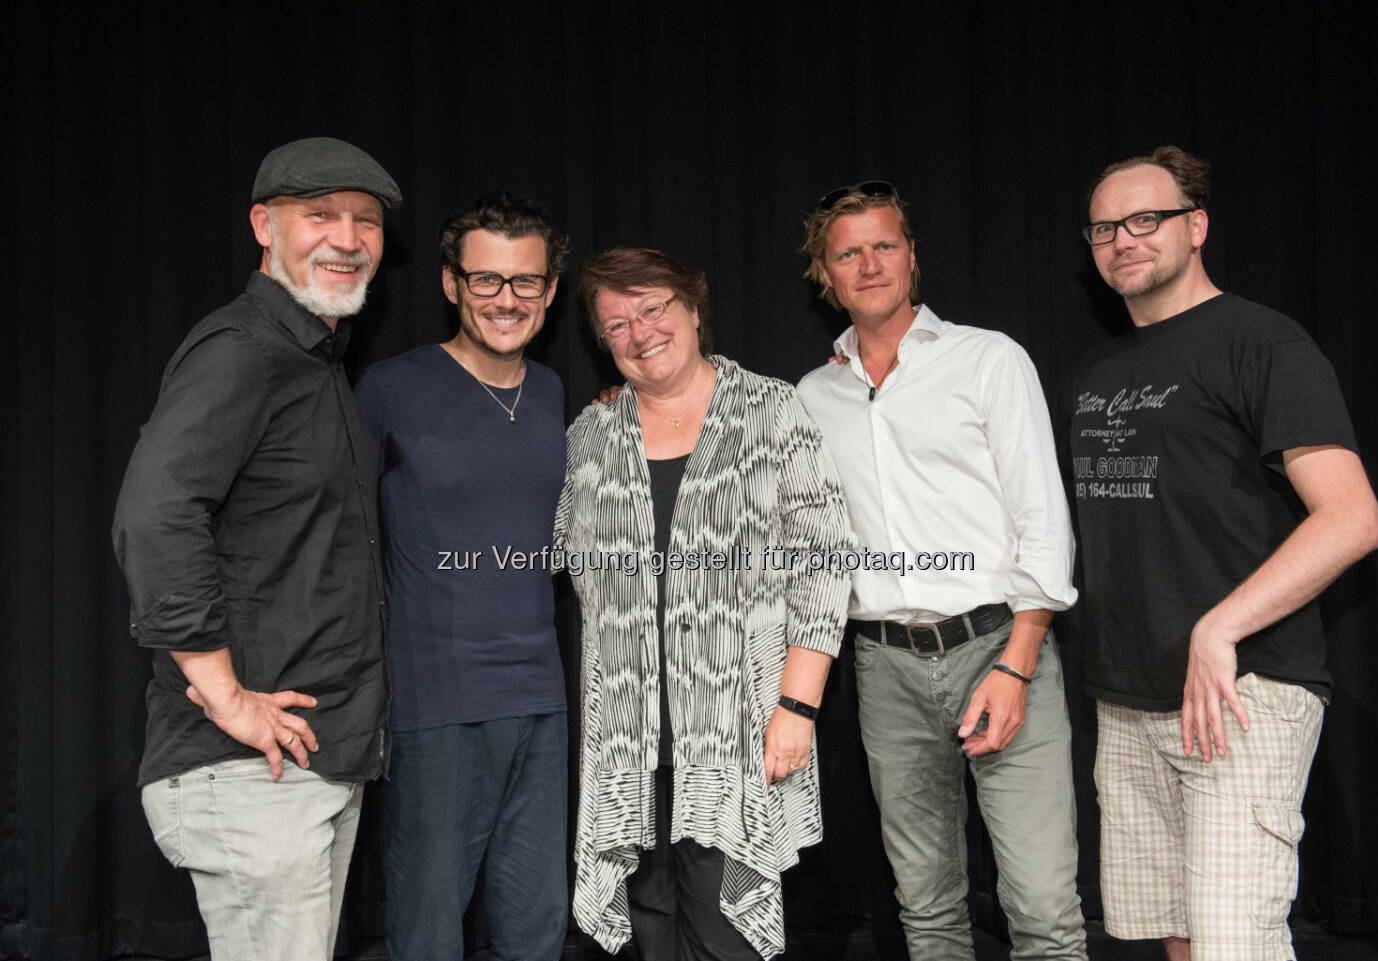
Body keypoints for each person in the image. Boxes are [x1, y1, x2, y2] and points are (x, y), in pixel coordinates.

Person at [1066, 146, 1378, 961]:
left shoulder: (1262, 343)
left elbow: (1351, 517)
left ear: (1196, 226)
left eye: (1146, 219)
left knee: (1233, 943)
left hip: (1243, 691)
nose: (1123, 239)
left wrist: (1220, 628)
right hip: (1130, 698)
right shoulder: (1097, 368)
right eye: (1105, 227)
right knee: (1175, 934)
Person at [111, 136, 399, 961]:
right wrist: (226, 693)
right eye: (320, 215)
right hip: (246, 773)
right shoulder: (241, 351)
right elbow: (155, 516)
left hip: (307, 768)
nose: (347, 238)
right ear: (263, 226)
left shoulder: (314, 361)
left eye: (366, 221)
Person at [796, 182, 1088, 961]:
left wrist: (1017, 668)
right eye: (847, 252)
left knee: (1044, 909)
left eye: (883, 244)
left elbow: (1042, 520)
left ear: (913, 257)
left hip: (997, 646)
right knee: (925, 909)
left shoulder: (987, 359)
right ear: (825, 275)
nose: (869, 264)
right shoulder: (811, 397)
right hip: (883, 665)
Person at [556, 247, 853, 960]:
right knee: (646, 930)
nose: (639, 332)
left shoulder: (773, 410)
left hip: (739, 729)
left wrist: (798, 706)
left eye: (653, 308)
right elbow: (565, 554)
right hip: (628, 739)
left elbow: (825, 563)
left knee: (727, 931)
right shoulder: (590, 436)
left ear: (694, 309)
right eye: (616, 322)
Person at [354, 191, 571, 961]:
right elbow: (338, 533)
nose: (506, 300)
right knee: (427, 932)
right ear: (452, 283)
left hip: (541, 702)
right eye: (486, 280)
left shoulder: (552, 396)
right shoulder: (390, 388)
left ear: (549, 291)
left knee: (538, 930)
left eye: (525, 282)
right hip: (434, 706)